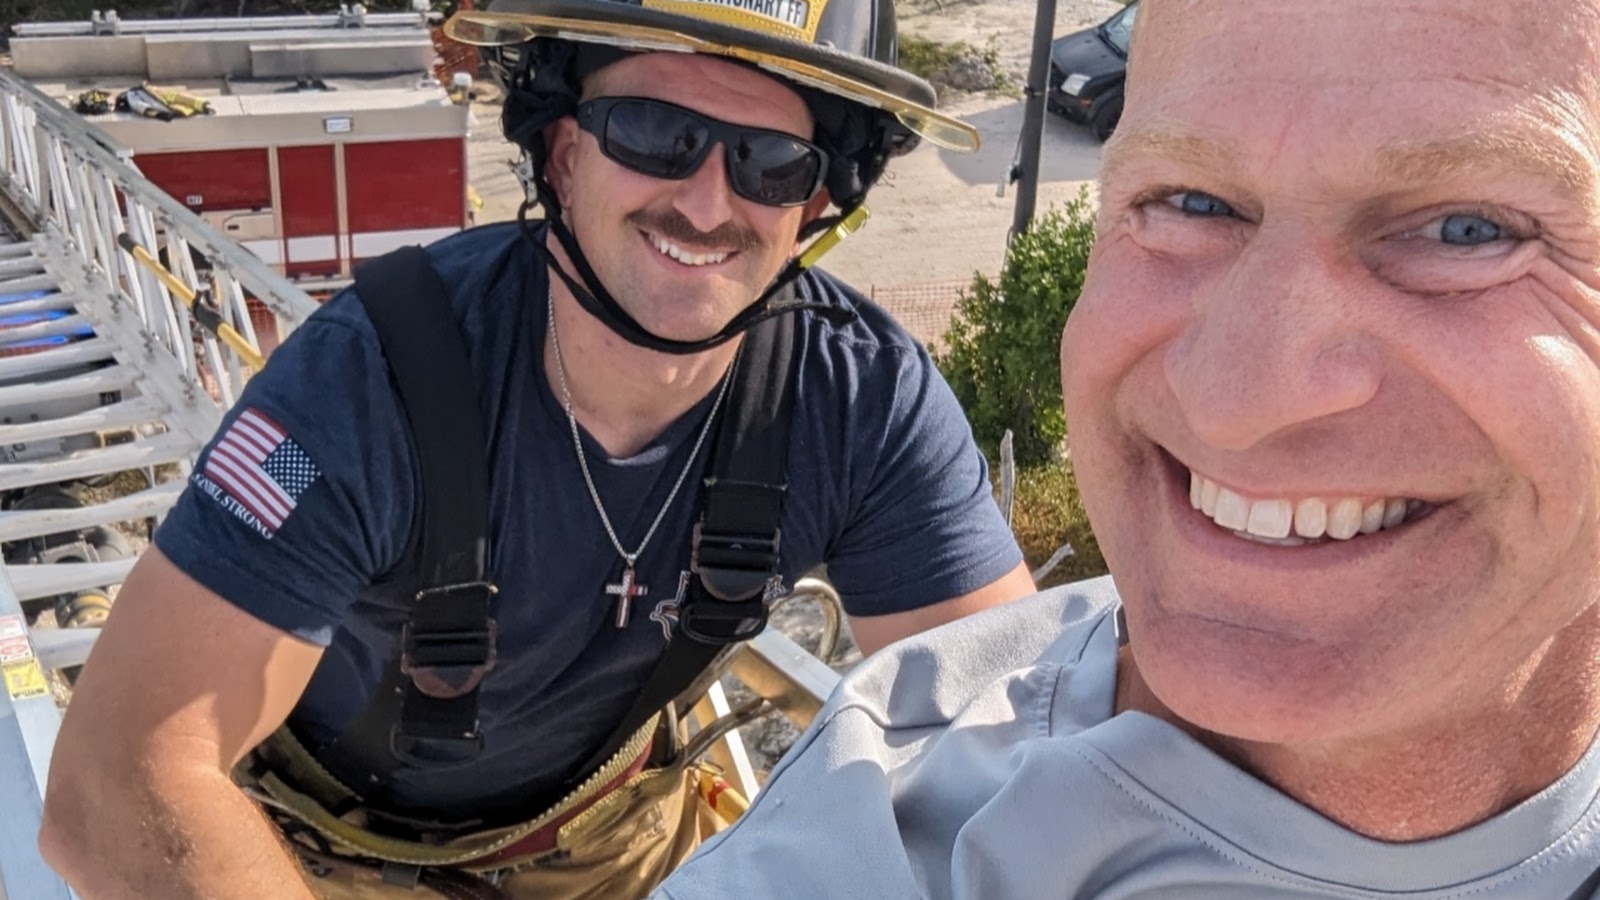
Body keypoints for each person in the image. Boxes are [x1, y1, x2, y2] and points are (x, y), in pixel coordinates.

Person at [34, 0, 1036, 895]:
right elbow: (113, 786)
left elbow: (1009, 747)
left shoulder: (859, 403)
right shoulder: (362, 386)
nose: (705, 201)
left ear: (816, 203)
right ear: (560, 151)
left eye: (770, 162)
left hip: (611, 834)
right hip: (315, 851)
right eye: (653, 135)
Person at [651, 0, 1600, 896]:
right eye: (1191, 200)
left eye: (1468, 231)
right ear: (560, 151)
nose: (1239, 406)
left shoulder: (857, 389)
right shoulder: (871, 848)